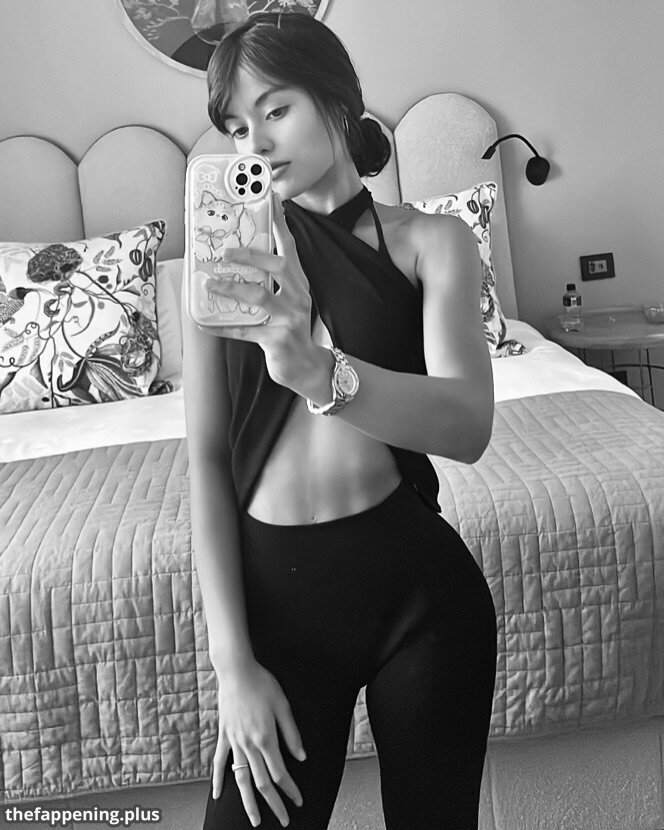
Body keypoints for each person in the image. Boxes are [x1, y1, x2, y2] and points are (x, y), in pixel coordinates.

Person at [183, 12, 497, 830]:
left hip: (422, 599)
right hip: (277, 611)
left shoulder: (435, 242)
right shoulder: (222, 264)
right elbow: (206, 461)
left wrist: (320, 374)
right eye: (236, 127)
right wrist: (231, 668)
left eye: (276, 110)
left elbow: (468, 426)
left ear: (337, 97)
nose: (255, 143)